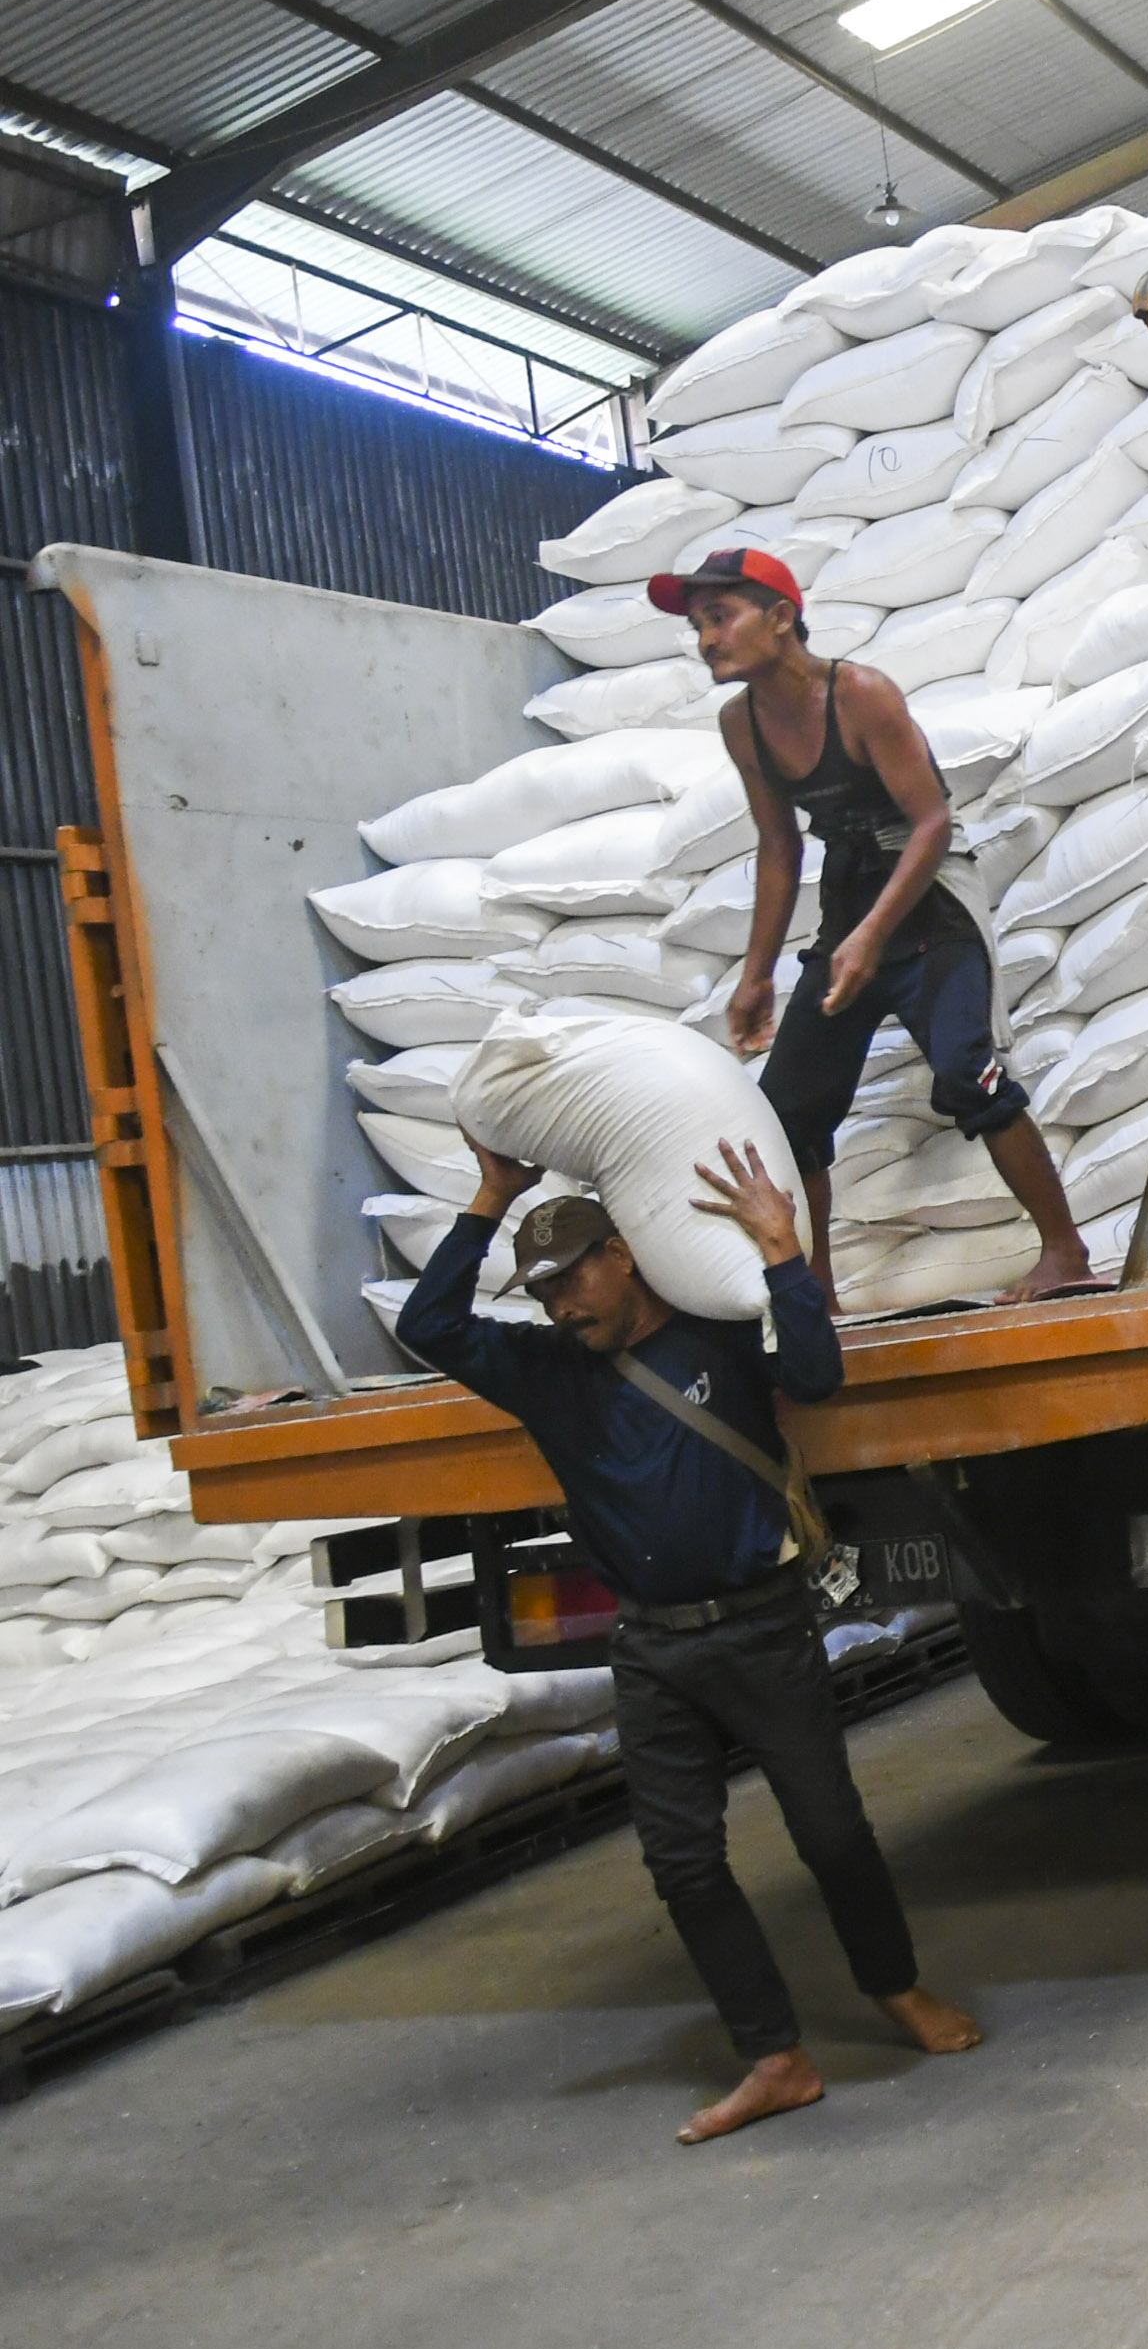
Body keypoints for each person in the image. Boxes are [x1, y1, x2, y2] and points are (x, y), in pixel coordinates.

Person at [398, 1133, 982, 2144]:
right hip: (651, 1650)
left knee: (830, 1832)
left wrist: (780, 1252)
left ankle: (895, 1989)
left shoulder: (714, 1335)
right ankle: (775, 2056)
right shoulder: (545, 1372)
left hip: (762, 1630)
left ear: (623, 1255)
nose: (558, 1305)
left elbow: (818, 1372)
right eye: (540, 1292)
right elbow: (430, 1322)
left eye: (571, 1278)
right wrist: (491, 1197)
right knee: (681, 1860)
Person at [661, 546, 1090, 1305]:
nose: (705, 640)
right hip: (848, 910)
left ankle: (1066, 1250)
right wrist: (758, 972)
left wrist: (871, 939)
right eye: (696, 625)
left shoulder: (860, 695)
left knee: (969, 1074)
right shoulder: (742, 725)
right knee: (787, 1112)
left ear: (782, 617)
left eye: (720, 617)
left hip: (932, 907)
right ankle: (816, 1290)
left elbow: (931, 822)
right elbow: (779, 847)